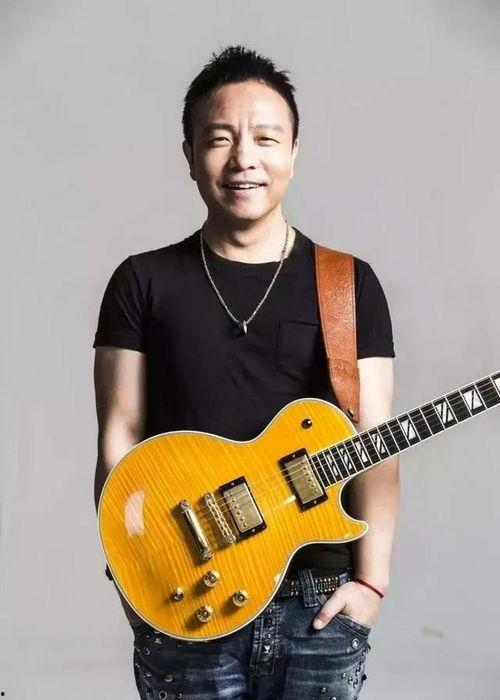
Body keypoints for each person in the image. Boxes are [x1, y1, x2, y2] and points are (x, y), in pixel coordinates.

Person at [93, 44, 399, 700]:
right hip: (187, 596)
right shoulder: (141, 282)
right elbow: (119, 435)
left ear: (294, 151)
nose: (244, 159)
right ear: (189, 153)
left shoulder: (348, 285)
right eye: (220, 138)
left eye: (265, 138)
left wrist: (371, 586)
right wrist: (134, 575)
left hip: (316, 600)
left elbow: (377, 444)